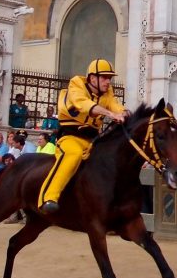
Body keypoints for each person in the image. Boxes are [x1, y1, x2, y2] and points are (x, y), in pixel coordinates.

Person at [38, 59, 127, 214]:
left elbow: (115, 104)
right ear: (93, 78)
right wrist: (109, 113)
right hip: (70, 137)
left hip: (93, 140)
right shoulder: (77, 84)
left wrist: (125, 113)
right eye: (105, 77)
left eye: (110, 78)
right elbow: (82, 103)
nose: (108, 81)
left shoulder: (108, 92)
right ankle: (48, 198)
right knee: (73, 155)